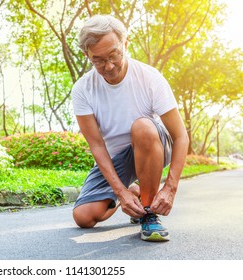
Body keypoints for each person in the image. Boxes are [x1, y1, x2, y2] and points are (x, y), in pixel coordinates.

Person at [71, 15, 189, 242]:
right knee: (83, 217)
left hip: (152, 144)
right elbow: (96, 145)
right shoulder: (83, 89)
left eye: (114, 54)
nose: (108, 66)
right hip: (118, 159)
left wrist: (170, 187)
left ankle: (149, 213)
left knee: (143, 126)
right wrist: (120, 192)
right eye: (98, 60)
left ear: (125, 44)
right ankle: (135, 191)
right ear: (87, 55)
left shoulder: (150, 77)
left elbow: (180, 136)